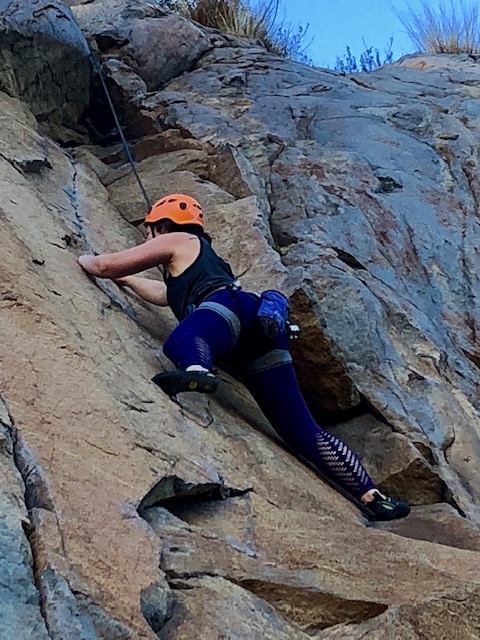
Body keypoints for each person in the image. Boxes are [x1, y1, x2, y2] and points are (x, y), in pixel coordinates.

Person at [78, 193, 411, 522]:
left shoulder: (177, 238)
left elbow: (105, 265)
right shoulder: (203, 259)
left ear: (162, 227)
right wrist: (127, 281)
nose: (146, 237)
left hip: (224, 313)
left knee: (184, 338)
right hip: (255, 328)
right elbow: (167, 296)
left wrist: (86, 262)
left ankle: (198, 368)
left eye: (148, 230)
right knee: (302, 430)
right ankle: (373, 497)